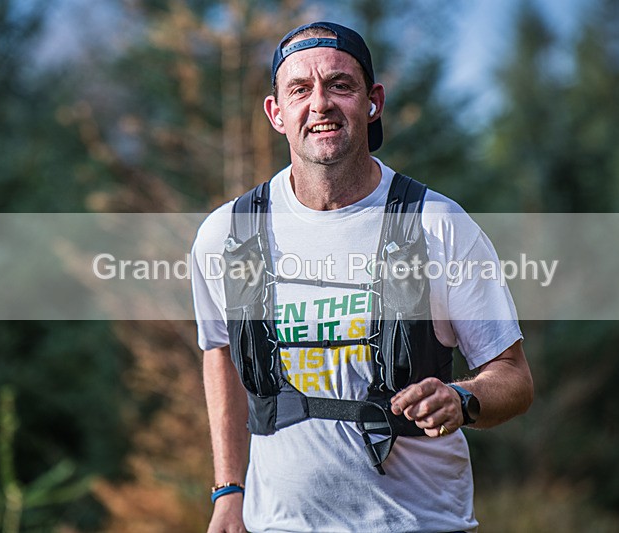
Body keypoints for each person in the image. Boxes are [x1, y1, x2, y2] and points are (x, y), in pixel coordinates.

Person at [191, 21, 533, 533]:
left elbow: (515, 378)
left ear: (373, 102)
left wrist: (462, 400)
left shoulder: (436, 225)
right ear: (276, 113)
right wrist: (228, 492)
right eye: (299, 90)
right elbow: (220, 351)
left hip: (420, 524)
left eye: (340, 85)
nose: (320, 104)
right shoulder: (228, 234)